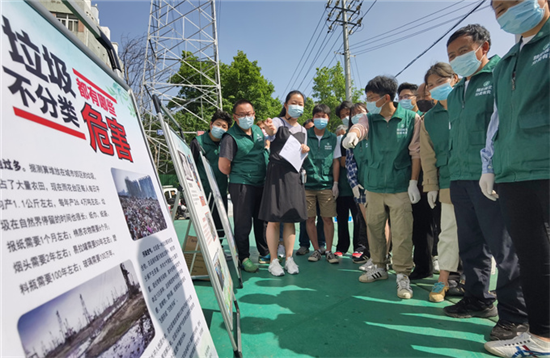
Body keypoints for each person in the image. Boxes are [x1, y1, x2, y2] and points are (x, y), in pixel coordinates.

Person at [443, 24, 528, 341]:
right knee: (471, 245)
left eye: (463, 52)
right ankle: (478, 298)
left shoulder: (499, 74)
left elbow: (503, 123)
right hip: (461, 176)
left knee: (503, 248)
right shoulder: (456, 91)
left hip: (490, 175)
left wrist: (491, 167)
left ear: (484, 47)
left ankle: (516, 316)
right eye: (452, 55)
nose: (457, 59)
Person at [480, 1, 550, 356]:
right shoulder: (508, 61)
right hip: (512, 171)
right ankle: (542, 339)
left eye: (512, 2)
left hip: (545, 164)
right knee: (534, 257)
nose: (505, 11)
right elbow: (498, 118)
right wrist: (489, 165)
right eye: (498, 7)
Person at [343, 75, 421, 299]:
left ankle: (403, 276)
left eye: (371, 98)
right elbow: (360, 127)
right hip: (374, 185)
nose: (367, 103)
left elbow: (415, 153)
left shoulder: (411, 119)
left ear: (387, 98)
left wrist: (413, 182)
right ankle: (379, 266)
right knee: (375, 229)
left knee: (402, 232)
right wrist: (352, 135)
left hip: (399, 186)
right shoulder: (370, 118)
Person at [420, 62, 462, 302]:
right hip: (448, 180)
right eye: (431, 85)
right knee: (447, 233)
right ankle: (443, 279)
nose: (436, 88)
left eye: (440, 82)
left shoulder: (467, 104)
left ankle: (472, 282)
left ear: (454, 79)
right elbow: (427, 155)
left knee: (480, 234)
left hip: (478, 176)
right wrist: (431, 186)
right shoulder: (429, 119)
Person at [259, 90, 310, 276]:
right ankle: (274, 260)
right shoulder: (277, 122)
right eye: (294, 102)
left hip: (294, 176)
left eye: (301, 103)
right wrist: (270, 130)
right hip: (277, 174)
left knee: (290, 219)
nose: (298, 106)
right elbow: (271, 134)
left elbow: (302, 157)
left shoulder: (304, 130)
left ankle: (289, 258)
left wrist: (305, 151)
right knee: (273, 219)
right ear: (286, 104)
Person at [219, 99, 269, 273]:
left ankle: (265, 252)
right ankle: (243, 257)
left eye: (249, 114)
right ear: (235, 117)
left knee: (262, 220)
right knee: (243, 222)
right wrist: (242, 172)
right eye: (242, 115)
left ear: (254, 115)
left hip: (261, 182)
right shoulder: (230, 137)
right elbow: (224, 166)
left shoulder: (257, 130)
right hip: (242, 184)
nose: (246, 117)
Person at [398, 82, 438, 281]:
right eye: (402, 97)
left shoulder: (437, 117)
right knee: (420, 227)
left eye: (423, 94)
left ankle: (455, 273)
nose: (421, 99)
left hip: (442, 179)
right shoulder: (407, 122)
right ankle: (423, 266)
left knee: (447, 228)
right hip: (417, 182)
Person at [302, 104, 340, 264]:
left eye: (324, 116)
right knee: (310, 219)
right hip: (307, 185)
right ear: (313, 117)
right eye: (317, 116)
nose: (320, 119)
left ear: (328, 118)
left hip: (326, 185)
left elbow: (336, 162)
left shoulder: (333, 138)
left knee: (327, 219)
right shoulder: (304, 135)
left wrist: (336, 183)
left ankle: (329, 251)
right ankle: (316, 250)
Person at [190, 109, 232, 239]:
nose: (220, 128)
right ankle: (209, 257)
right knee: (206, 226)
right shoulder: (198, 142)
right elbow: (189, 166)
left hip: (221, 192)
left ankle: (219, 254)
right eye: (218, 124)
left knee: (221, 226)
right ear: (211, 124)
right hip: (203, 194)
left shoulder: (227, 144)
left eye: (224, 127)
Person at [335, 101, 368, 262]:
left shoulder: (370, 132)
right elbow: (343, 162)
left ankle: (361, 248)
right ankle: (342, 247)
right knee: (344, 219)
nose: (348, 117)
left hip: (369, 184)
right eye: (344, 115)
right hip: (347, 186)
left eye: (351, 113)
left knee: (360, 220)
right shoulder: (343, 138)